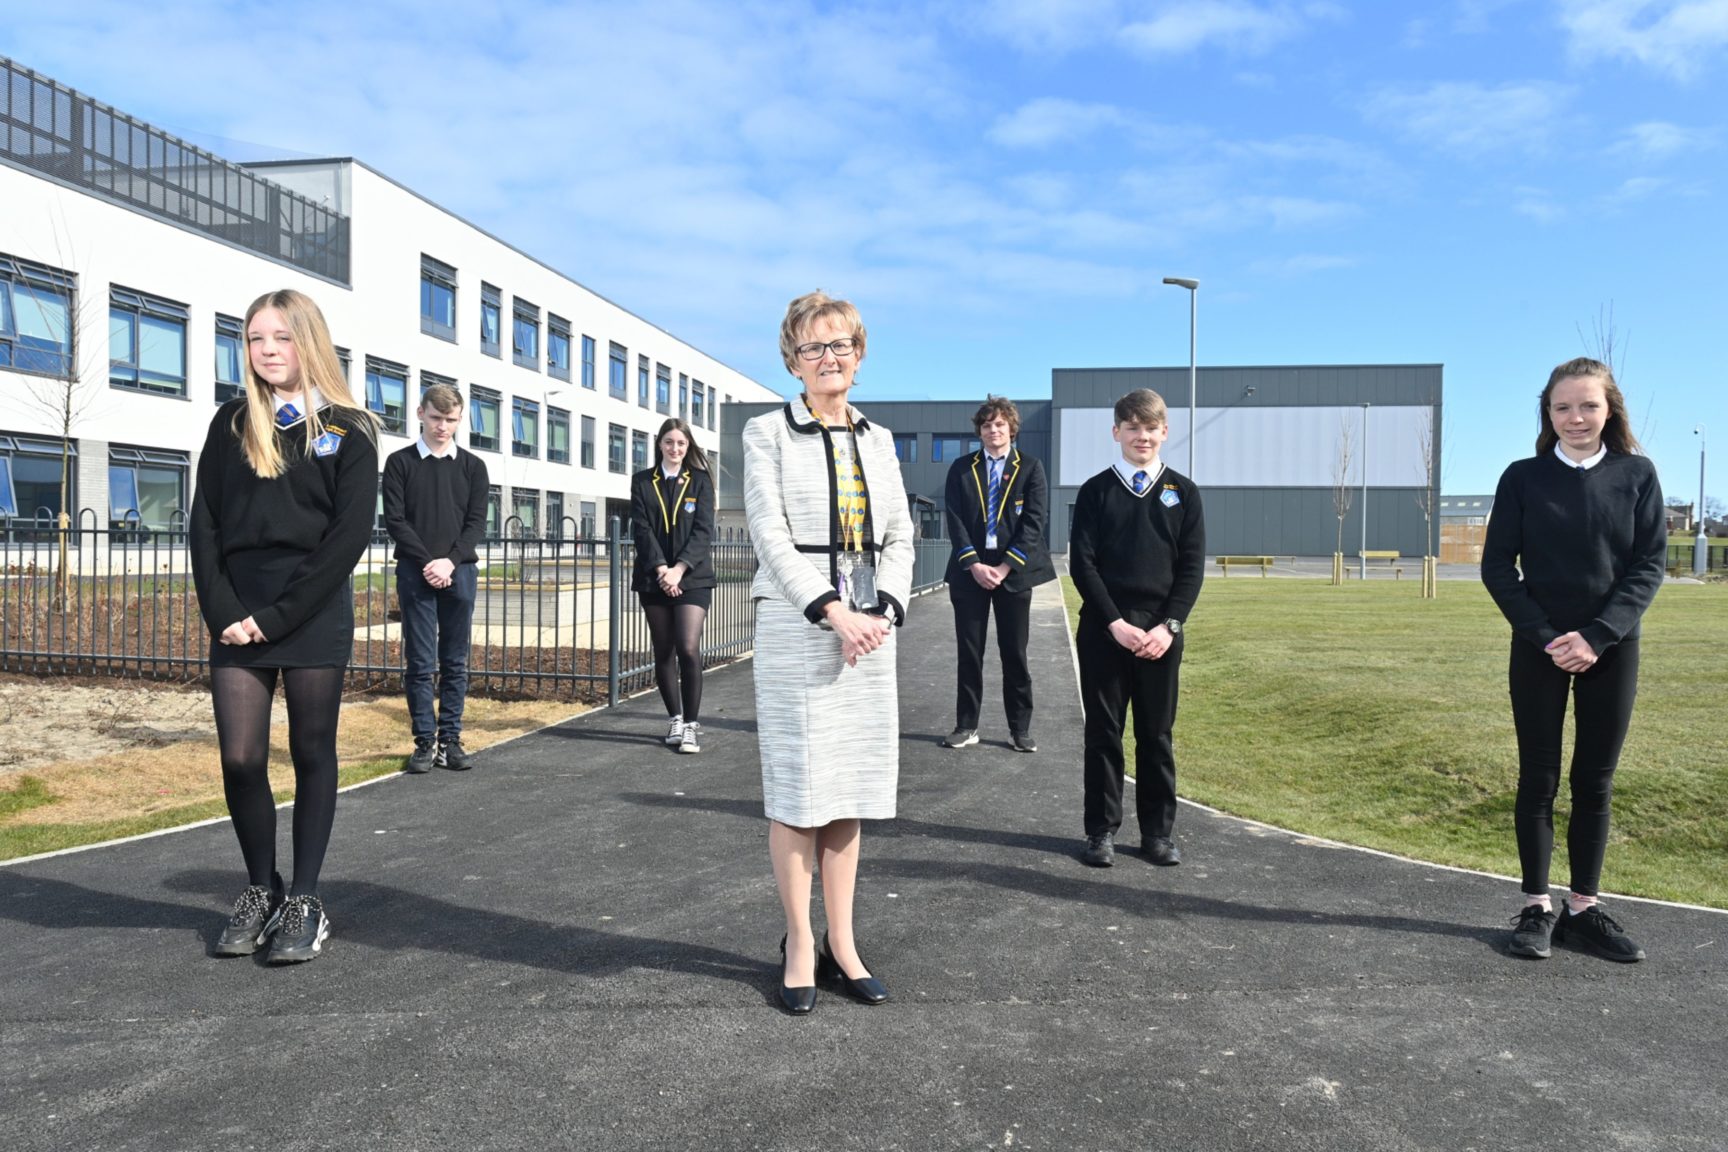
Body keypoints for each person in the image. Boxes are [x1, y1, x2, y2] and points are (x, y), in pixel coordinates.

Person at [189, 288, 379, 964]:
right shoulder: (231, 422)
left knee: (310, 751)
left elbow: (344, 542)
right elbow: (204, 526)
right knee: (240, 758)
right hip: (236, 616)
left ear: (308, 342)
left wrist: (273, 620)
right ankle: (260, 887)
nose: (267, 350)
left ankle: (304, 898)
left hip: (308, 612)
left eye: (280, 337)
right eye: (255, 339)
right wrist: (225, 615)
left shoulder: (350, 430)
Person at [742, 290, 914, 1014]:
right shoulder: (766, 434)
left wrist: (883, 611)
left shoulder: (878, 438)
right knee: (799, 788)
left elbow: (901, 533)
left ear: (859, 354)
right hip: (797, 622)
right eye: (814, 347)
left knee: (850, 787)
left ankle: (842, 943)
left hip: (869, 628)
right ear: (793, 359)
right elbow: (768, 532)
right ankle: (797, 943)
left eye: (840, 344)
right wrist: (831, 610)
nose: (828, 358)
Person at [1482, 357, 1665, 963]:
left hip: (1611, 649)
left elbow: (1648, 567)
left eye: (1587, 405)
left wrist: (1598, 635)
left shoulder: (1637, 476)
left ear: (1608, 408)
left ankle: (1584, 911)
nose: (1575, 417)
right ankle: (1536, 908)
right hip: (1539, 650)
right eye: (1562, 407)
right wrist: (1545, 636)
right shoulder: (1522, 477)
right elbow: (1496, 568)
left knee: (1594, 781)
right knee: (1538, 779)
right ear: (1548, 414)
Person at [1068, 388, 1205, 869]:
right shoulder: (1095, 491)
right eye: (1132, 427)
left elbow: (1191, 569)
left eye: (1150, 428)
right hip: (1106, 634)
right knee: (1104, 734)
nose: (1141, 436)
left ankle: (1157, 835)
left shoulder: (1183, 493)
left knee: (1156, 735)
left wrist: (1167, 627)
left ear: (1164, 432)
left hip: (1161, 638)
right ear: (1116, 433)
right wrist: (1114, 622)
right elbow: (1082, 565)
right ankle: (1100, 832)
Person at [382, 382, 489, 772]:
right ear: (420, 414)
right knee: (420, 663)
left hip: (459, 573)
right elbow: (395, 520)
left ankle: (451, 740)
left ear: (460, 420)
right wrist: (430, 561)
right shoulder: (400, 463)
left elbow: (476, 522)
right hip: (415, 572)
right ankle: (425, 742)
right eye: (436, 417)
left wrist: (449, 562)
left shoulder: (473, 467)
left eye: (451, 420)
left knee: (455, 661)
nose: (442, 426)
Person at [940, 395, 1055, 752]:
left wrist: (1005, 568)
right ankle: (966, 725)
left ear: (1011, 428)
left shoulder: (1030, 467)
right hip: (970, 571)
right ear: (980, 430)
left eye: (1000, 424)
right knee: (969, 652)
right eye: (987, 425)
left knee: (1014, 653)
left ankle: (1019, 729)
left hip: (1014, 573)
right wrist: (974, 564)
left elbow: (1035, 523)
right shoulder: (961, 468)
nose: (994, 430)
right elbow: (954, 519)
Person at [630, 417, 716, 753]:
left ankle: (692, 725)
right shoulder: (642, 482)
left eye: (681, 443)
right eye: (669, 442)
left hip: (692, 576)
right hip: (654, 578)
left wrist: (679, 569)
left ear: (688, 446)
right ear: (659, 444)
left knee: (688, 647)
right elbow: (642, 529)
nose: (675, 449)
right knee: (663, 650)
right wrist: (662, 569)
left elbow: (703, 531)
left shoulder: (700, 481)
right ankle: (675, 719)